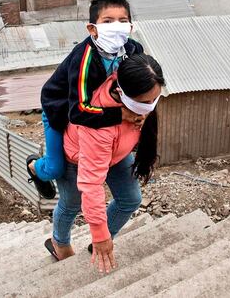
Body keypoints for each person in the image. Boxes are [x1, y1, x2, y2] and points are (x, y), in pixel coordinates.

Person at [47, 54, 164, 274]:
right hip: (78, 158)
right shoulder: (98, 126)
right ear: (122, 93)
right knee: (71, 204)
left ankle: (98, 245)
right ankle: (59, 242)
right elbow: (91, 184)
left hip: (115, 155)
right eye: (144, 102)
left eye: (154, 100)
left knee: (130, 199)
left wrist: (103, 236)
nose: (150, 107)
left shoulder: (138, 101)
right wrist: (100, 235)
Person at [26, 0, 143, 199]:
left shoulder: (133, 51)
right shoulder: (85, 59)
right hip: (60, 109)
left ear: (130, 27)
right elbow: (78, 112)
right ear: (92, 29)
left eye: (122, 21)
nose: (116, 26)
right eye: (108, 21)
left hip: (96, 106)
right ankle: (35, 167)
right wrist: (121, 115)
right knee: (55, 168)